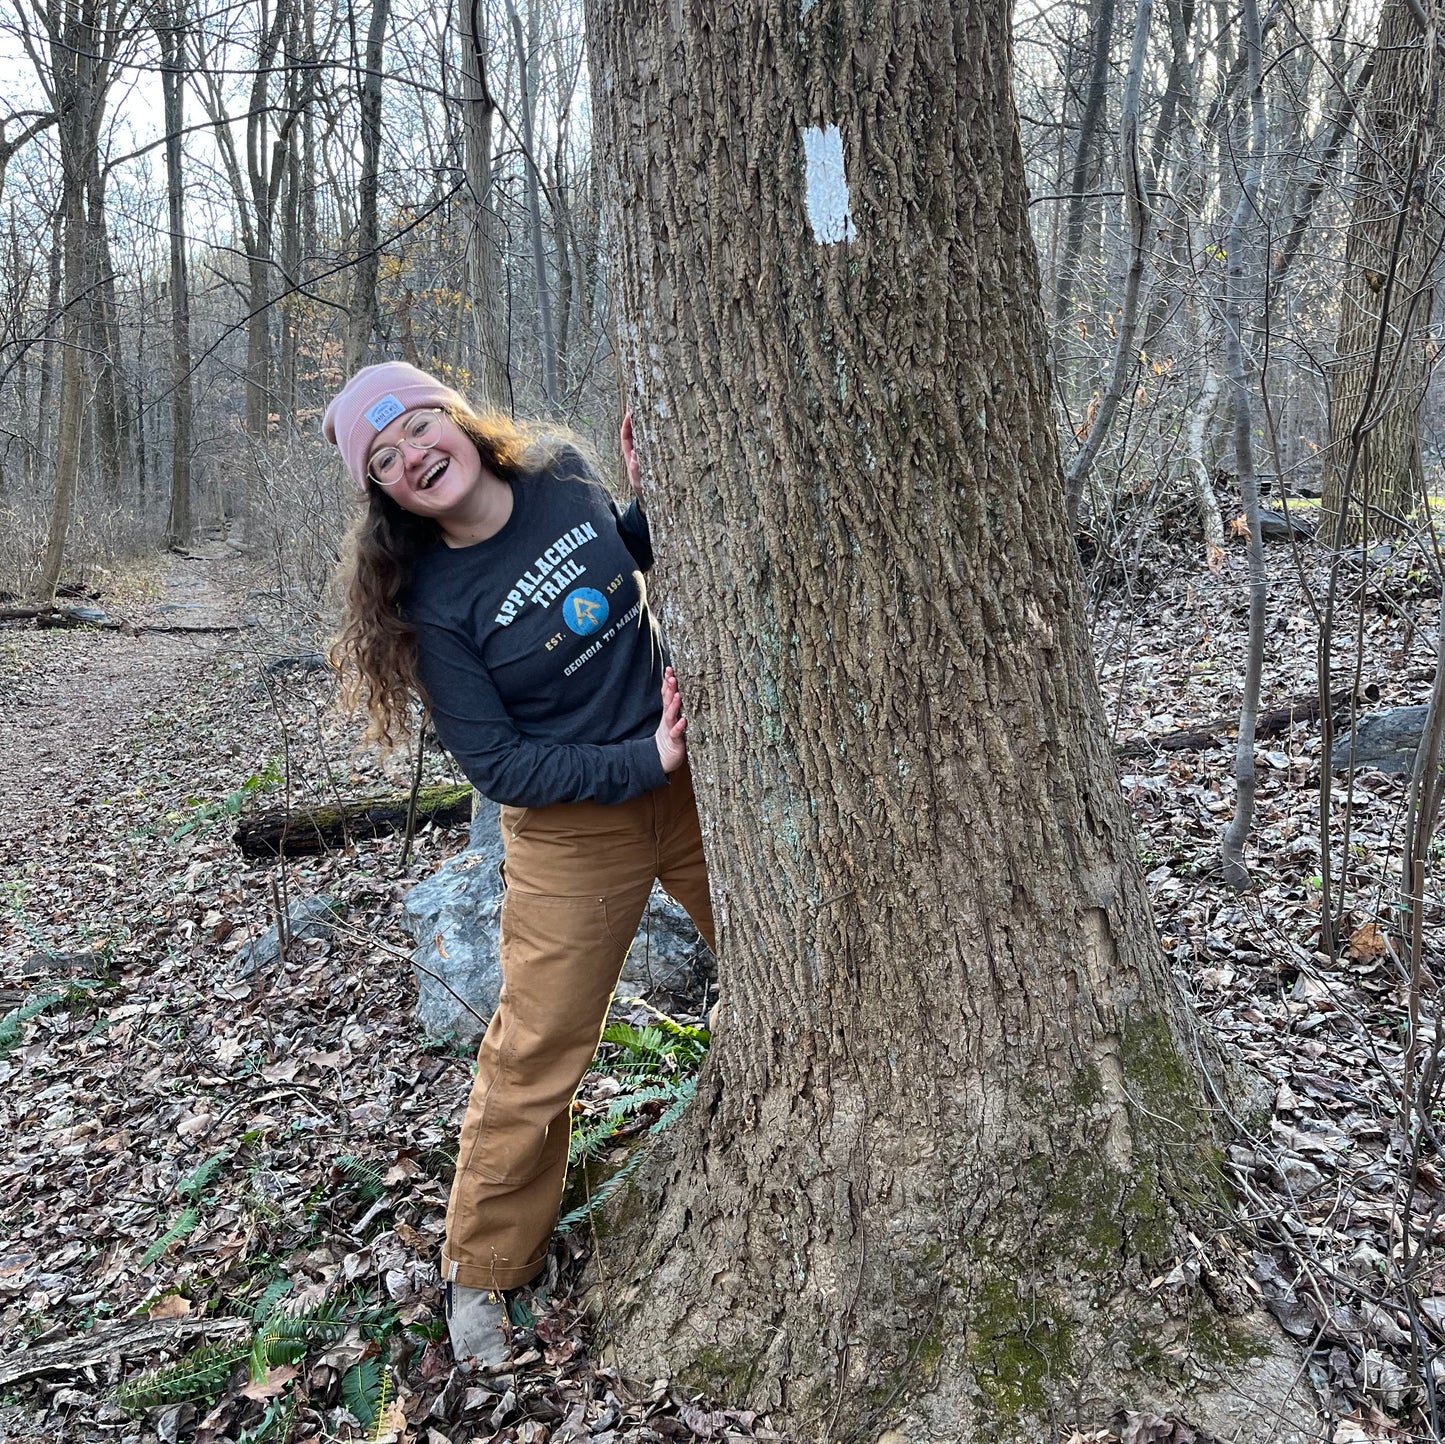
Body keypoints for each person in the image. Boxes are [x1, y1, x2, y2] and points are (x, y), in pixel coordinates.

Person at [324, 362, 715, 1369]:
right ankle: (483, 1267)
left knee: (784, 948)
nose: (413, 454)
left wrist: (651, 502)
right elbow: (496, 765)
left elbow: (624, 558)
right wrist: (641, 759)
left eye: (418, 426)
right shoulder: (434, 602)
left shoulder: (561, 476)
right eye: (385, 456)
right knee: (535, 1049)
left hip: (702, 785)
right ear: (381, 489)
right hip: (574, 827)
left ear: (457, 419)